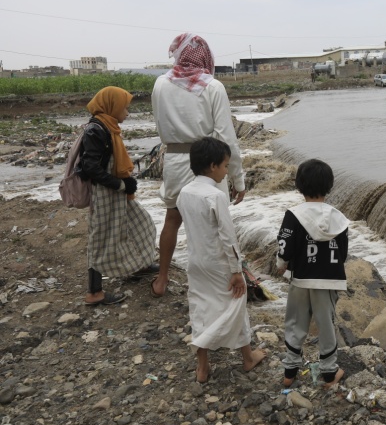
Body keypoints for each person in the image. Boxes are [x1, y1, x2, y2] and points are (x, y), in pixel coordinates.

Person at [150, 33, 247, 298]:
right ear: (205, 56)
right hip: (207, 161)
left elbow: (159, 123)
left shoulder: (160, 84)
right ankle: (221, 280)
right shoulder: (212, 86)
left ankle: (162, 278)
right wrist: (238, 179)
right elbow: (227, 136)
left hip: (174, 158)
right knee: (216, 222)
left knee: (173, 218)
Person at [176, 137, 266, 383]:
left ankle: (202, 368)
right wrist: (237, 271)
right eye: (226, 166)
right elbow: (228, 237)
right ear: (214, 166)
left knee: (201, 308)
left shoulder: (184, 193)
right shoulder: (215, 196)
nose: (227, 171)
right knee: (236, 306)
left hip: (195, 262)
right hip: (219, 263)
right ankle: (247, 358)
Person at [77, 86, 157, 305]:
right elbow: (91, 167)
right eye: (125, 108)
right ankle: (94, 293)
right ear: (112, 106)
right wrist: (121, 185)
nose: (127, 113)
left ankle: (139, 266)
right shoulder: (97, 130)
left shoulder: (107, 126)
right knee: (100, 239)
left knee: (140, 223)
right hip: (105, 193)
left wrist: (122, 186)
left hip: (114, 191)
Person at [276, 159, 349, 389]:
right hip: (328, 281)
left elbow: (284, 245)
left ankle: (289, 372)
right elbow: (344, 252)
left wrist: (282, 264)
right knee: (326, 325)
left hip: (301, 279)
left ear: (299, 185)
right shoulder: (338, 218)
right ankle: (329, 374)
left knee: (296, 323)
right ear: (329, 186)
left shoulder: (293, 215)